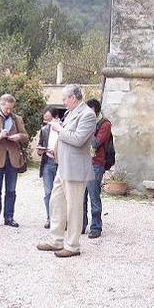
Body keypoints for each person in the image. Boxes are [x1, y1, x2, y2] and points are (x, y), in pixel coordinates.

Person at [36, 84, 96, 258]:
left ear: (73, 98)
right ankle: (56, 240)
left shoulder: (87, 115)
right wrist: (55, 147)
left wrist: (58, 129)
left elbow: (78, 140)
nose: (63, 102)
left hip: (76, 169)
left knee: (74, 208)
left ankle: (73, 245)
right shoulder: (70, 113)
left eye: (65, 98)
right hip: (62, 166)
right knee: (56, 203)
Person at [0, 94, 29, 228]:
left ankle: (9, 217)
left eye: (11, 108)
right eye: (7, 109)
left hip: (13, 158)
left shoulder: (17, 119)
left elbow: (26, 136)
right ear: (1, 104)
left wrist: (19, 136)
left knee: (11, 190)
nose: (9, 111)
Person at [82, 98, 111, 239]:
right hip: (81, 162)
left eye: (90, 112)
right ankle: (81, 225)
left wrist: (88, 128)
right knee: (80, 197)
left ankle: (96, 227)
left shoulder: (105, 124)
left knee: (93, 196)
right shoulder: (84, 121)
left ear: (96, 111)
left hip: (95, 164)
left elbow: (96, 143)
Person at [36, 106, 60, 229]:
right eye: (45, 120)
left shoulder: (63, 129)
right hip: (47, 163)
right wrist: (40, 150)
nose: (47, 122)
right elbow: (40, 145)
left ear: (56, 117)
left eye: (49, 119)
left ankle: (61, 219)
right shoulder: (44, 130)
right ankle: (50, 217)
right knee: (48, 192)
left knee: (61, 193)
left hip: (60, 164)